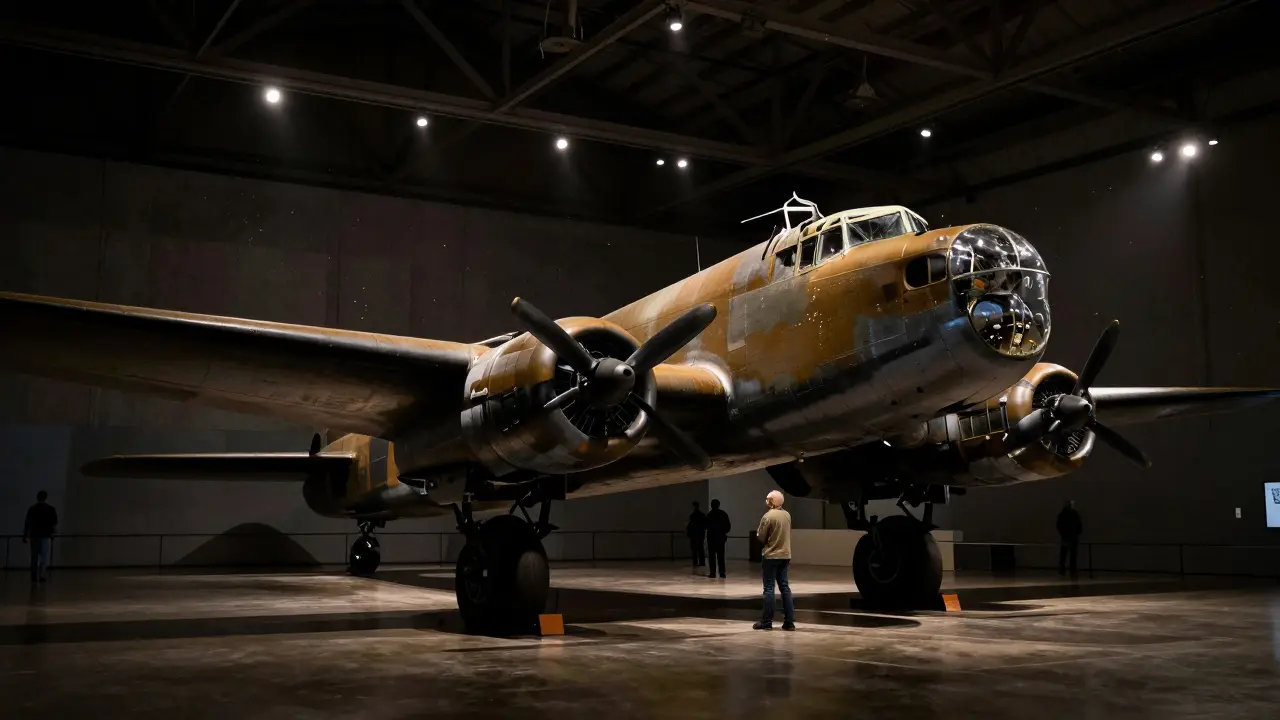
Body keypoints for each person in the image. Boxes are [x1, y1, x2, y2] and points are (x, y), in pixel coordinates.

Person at [753, 490, 795, 631]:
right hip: (785, 555)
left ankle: (767, 622)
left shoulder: (768, 516)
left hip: (771, 556)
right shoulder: (787, 515)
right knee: (785, 588)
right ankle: (789, 622)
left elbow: (761, 537)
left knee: (769, 589)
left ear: (771, 501)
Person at [23, 490, 58, 584]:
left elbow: (27, 523)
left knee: (34, 557)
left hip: (34, 535)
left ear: (37, 497)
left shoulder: (32, 509)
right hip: (45, 536)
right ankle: (42, 575)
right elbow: (53, 524)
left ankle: (34, 575)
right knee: (44, 557)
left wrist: (25, 535)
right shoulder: (51, 509)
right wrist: (53, 534)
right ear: (46, 498)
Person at [705, 499, 731, 579]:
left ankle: (712, 573)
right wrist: (723, 532)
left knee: (712, 556)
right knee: (721, 556)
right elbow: (728, 526)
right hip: (720, 538)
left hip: (712, 538)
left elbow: (706, 526)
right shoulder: (723, 514)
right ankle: (722, 573)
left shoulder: (709, 515)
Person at [1057, 500, 1082, 577]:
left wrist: (1063, 534)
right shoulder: (1075, 514)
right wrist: (1078, 532)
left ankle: (1062, 570)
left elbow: (1059, 525)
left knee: (1064, 555)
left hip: (1066, 537)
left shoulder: (1062, 514)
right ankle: (1072, 570)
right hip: (1073, 537)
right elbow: (1079, 525)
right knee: (1073, 555)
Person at [686, 501, 706, 569]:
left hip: (694, 535)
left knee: (695, 549)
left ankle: (695, 562)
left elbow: (690, 526)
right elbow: (704, 525)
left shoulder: (693, 516)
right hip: (699, 534)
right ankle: (701, 562)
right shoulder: (701, 515)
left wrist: (689, 533)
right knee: (700, 549)